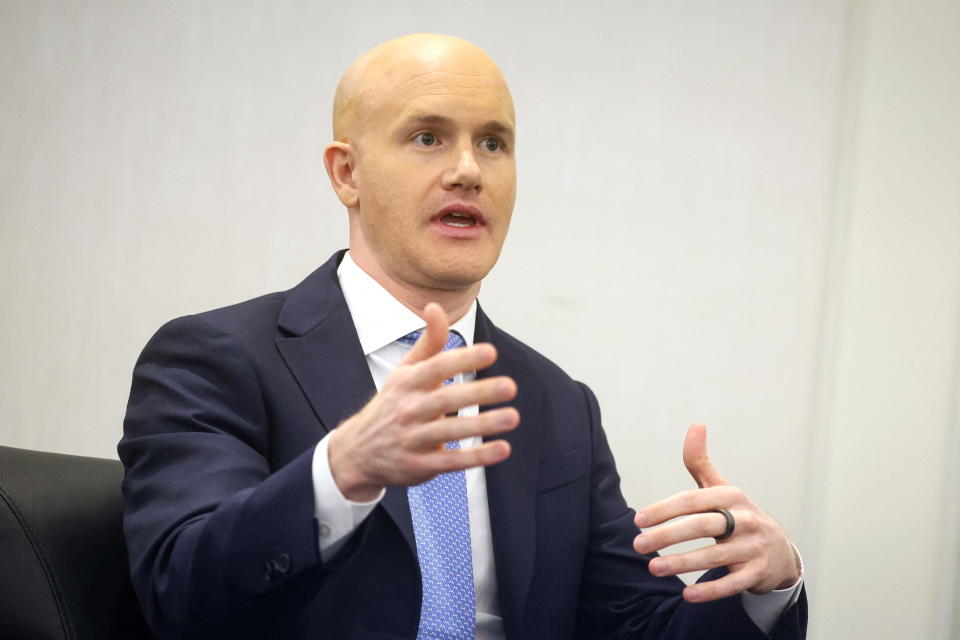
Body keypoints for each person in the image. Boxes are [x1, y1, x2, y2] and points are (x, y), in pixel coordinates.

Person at [119, 33, 806, 639]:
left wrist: (763, 587)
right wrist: (340, 471)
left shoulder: (557, 404)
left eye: (493, 143)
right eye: (427, 137)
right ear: (346, 173)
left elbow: (634, 627)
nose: (469, 171)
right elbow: (180, 595)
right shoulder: (219, 358)